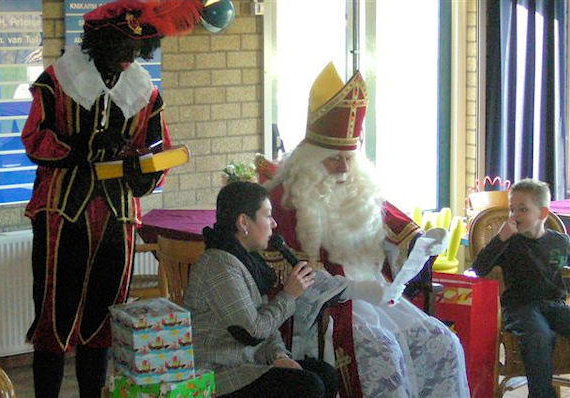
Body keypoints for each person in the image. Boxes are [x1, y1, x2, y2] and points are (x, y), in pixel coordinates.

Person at [20, 1, 201, 397]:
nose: (130, 57)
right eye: (123, 47)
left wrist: (144, 170)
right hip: (61, 217)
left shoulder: (145, 95)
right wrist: (82, 147)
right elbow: (35, 139)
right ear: (100, 41)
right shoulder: (57, 81)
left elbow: (157, 148)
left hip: (118, 219)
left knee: (103, 318)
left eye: (137, 49)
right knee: (55, 315)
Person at [262, 62, 470, 397]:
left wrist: (422, 243)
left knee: (442, 342)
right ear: (311, 158)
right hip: (328, 310)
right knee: (382, 352)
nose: (344, 168)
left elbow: (397, 231)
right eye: (334, 159)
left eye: (350, 157)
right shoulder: (283, 200)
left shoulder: (360, 186)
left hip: (380, 298)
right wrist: (353, 289)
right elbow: (282, 280)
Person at [183, 181, 340, 398]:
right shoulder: (219, 265)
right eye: (267, 216)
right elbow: (252, 331)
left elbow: (267, 324)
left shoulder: (246, 259)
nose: (274, 224)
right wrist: (289, 295)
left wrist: (278, 355)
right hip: (221, 375)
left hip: (248, 363)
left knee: (326, 374)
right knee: (309, 386)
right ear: (244, 222)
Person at [472, 178, 570, 397]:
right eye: (512, 209)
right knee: (538, 336)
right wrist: (500, 239)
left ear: (543, 213)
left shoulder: (560, 242)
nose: (514, 215)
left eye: (523, 210)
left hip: (554, 305)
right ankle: (541, 394)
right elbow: (479, 267)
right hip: (520, 307)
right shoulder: (509, 243)